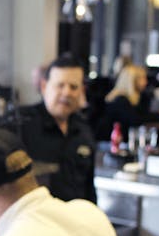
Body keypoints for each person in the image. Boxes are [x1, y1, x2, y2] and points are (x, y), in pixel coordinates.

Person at [17, 54, 99, 205]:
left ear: (82, 90)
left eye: (73, 87)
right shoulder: (22, 125)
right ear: (44, 86)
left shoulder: (84, 131)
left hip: (74, 222)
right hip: (36, 222)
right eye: (60, 85)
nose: (66, 93)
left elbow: (89, 189)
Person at [95, 64, 159, 141]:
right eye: (142, 78)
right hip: (109, 144)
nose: (145, 82)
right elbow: (135, 119)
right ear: (132, 80)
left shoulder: (134, 99)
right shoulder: (120, 100)